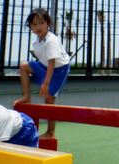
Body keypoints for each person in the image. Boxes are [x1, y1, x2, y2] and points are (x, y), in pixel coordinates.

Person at [13, 8, 70, 140]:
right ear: (30, 27)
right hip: (45, 65)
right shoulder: (37, 41)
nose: (38, 27)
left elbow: (52, 63)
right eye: (34, 24)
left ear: (48, 23)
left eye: (42, 23)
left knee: (49, 99)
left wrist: (45, 83)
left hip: (59, 69)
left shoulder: (51, 40)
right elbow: (44, 60)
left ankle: (51, 132)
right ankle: (26, 96)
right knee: (24, 66)